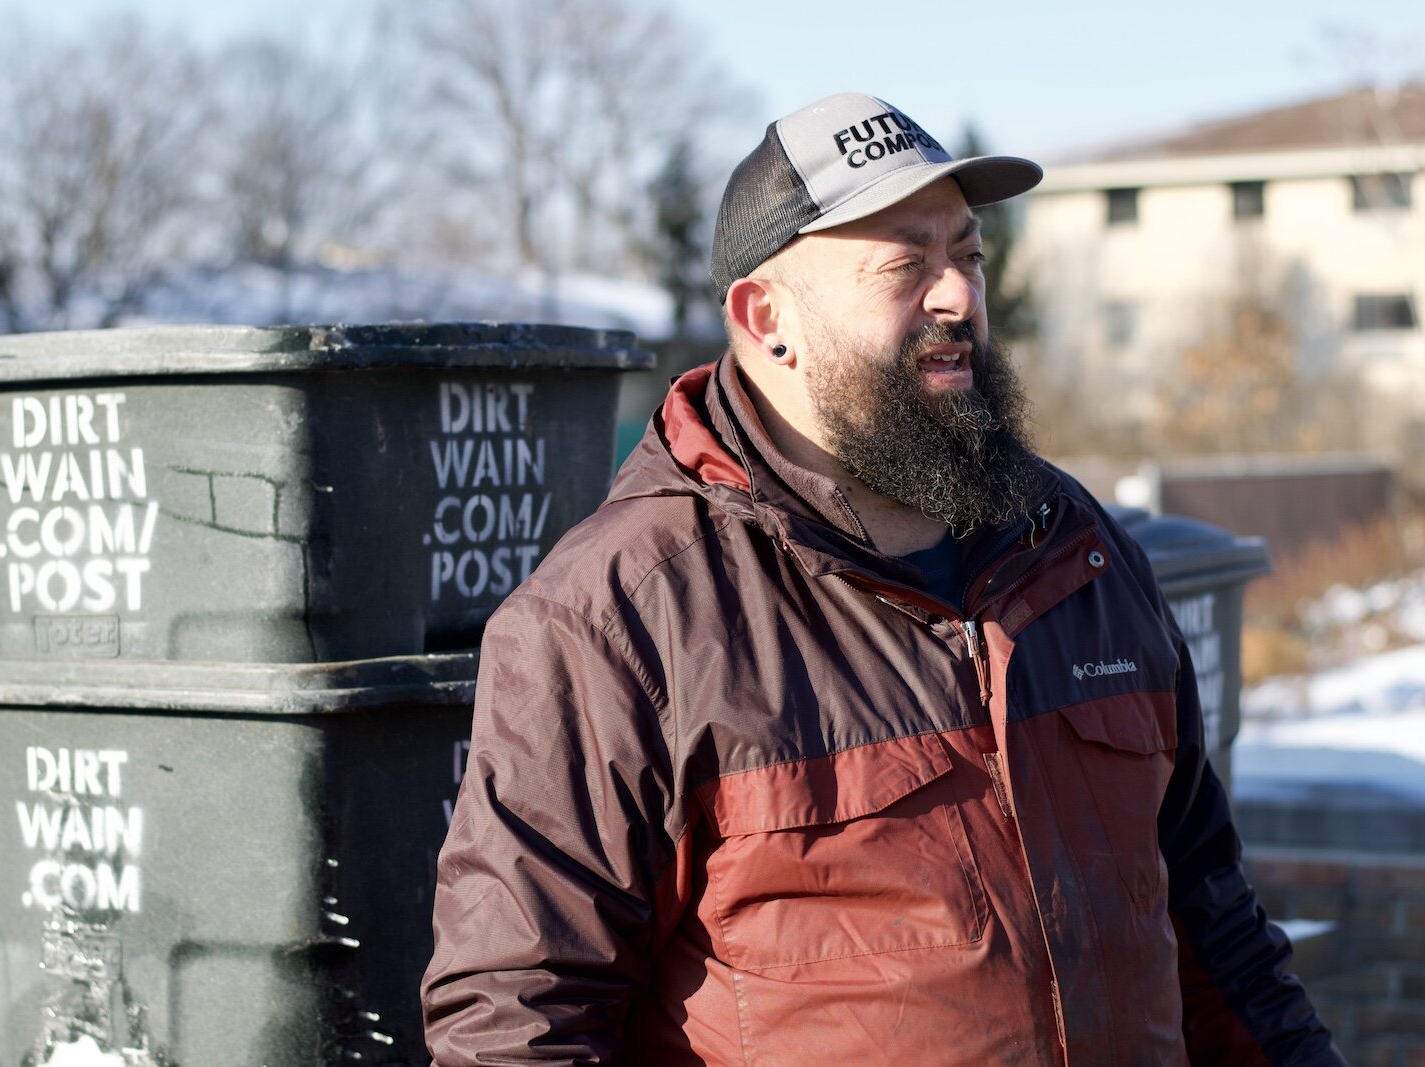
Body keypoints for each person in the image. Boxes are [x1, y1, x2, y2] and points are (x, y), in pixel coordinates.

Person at [422, 92, 1343, 1065]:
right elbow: (517, 1020)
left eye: (968, 256)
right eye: (907, 263)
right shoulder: (621, 614)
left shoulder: (1077, 549)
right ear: (765, 315)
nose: (956, 296)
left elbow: (1214, 929)